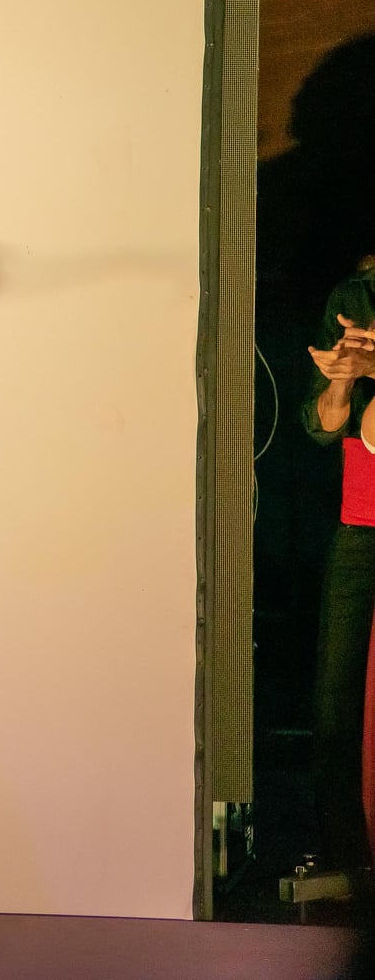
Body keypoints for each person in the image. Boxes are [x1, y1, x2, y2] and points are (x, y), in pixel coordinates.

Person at [303, 257, 375, 873]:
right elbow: (323, 425)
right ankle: (348, 857)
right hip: (362, 519)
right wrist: (342, 380)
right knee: (338, 694)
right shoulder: (356, 296)